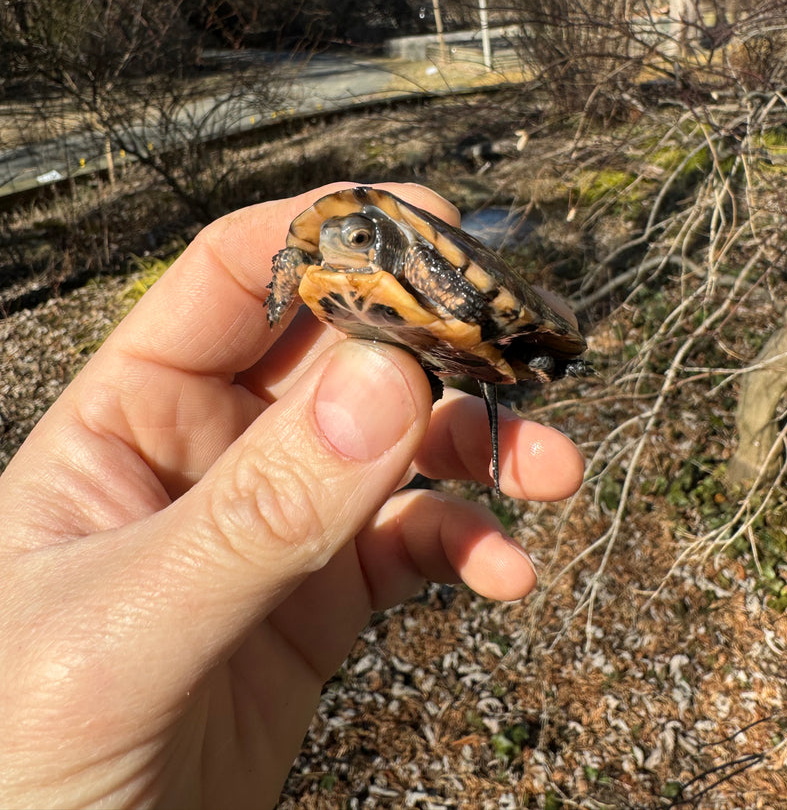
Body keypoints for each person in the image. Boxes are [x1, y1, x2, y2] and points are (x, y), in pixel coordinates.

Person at [0, 182, 584, 809]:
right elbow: (299, 259)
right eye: (338, 240)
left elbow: (462, 286)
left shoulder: (415, 257)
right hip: (394, 330)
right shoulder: (322, 264)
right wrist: (290, 280)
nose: (341, 245)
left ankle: (544, 350)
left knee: (529, 345)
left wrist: (482, 325)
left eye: (359, 238)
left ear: (383, 244)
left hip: (446, 307)